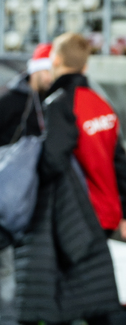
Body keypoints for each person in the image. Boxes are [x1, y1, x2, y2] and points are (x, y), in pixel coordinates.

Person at [14, 33, 126, 325]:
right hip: (107, 215)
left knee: (69, 301)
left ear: (56, 61)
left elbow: (52, 161)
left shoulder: (60, 103)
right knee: (97, 295)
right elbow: (119, 162)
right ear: (85, 66)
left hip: (76, 221)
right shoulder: (102, 104)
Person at [0, 44, 53, 325]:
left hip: (25, 204)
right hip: (7, 206)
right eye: (48, 70)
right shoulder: (11, 100)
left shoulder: (46, 100)